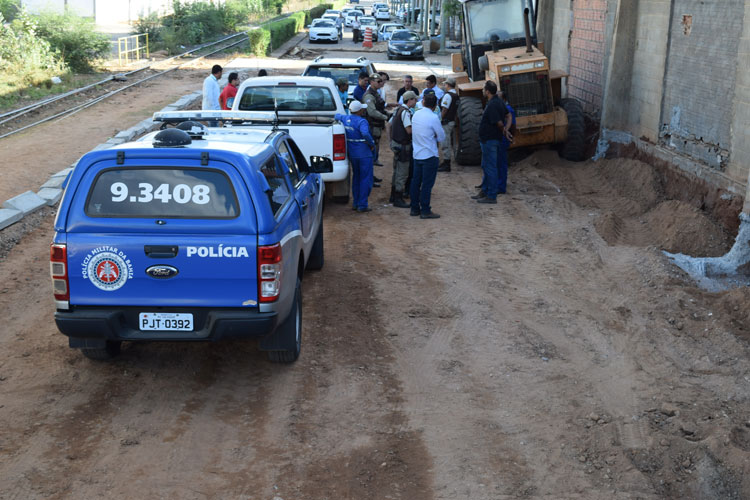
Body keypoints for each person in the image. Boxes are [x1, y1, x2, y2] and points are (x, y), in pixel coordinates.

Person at [473, 80, 512, 204]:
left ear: (488, 91)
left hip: (490, 140)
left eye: (484, 89)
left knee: (490, 167)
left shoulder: (493, 105)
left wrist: (504, 130)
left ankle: (491, 195)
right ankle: (484, 190)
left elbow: (499, 123)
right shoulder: (498, 102)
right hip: (489, 140)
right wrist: (507, 129)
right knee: (486, 166)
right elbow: (509, 116)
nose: (483, 91)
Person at [335, 101, 375, 212]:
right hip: (364, 154)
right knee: (365, 178)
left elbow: (336, 115)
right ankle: (362, 204)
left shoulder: (345, 118)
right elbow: (365, 133)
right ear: (359, 111)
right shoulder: (362, 121)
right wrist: (371, 144)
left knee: (356, 177)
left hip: (352, 154)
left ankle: (356, 202)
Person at [410, 93, 445, 219]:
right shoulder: (433, 118)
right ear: (435, 105)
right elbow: (441, 136)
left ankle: (414, 208)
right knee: (427, 184)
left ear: (423, 102)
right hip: (429, 154)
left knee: (415, 182)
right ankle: (425, 210)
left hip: (417, 154)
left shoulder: (416, 114)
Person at [389, 90, 417, 208]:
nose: (416, 101)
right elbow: (408, 130)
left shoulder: (397, 110)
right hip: (403, 146)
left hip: (396, 143)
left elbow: (390, 124)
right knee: (402, 172)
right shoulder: (406, 112)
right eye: (415, 99)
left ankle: (393, 195)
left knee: (396, 171)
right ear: (409, 100)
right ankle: (398, 198)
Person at [363, 73, 389, 169]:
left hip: (377, 125)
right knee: (371, 150)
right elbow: (372, 112)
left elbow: (380, 107)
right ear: (372, 82)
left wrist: (387, 114)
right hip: (372, 125)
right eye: (378, 81)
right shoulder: (369, 95)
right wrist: (385, 117)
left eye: (381, 81)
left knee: (375, 146)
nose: (380, 83)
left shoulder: (376, 93)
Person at [437, 77, 458, 172]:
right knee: (447, 141)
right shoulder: (455, 95)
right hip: (451, 120)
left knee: (445, 143)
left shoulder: (448, 96)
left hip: (446, 122)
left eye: (445, 84)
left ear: (448, 85)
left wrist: (439, 119)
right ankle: (446, 163)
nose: (444, 86)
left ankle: (446, 163)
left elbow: (444, 109)